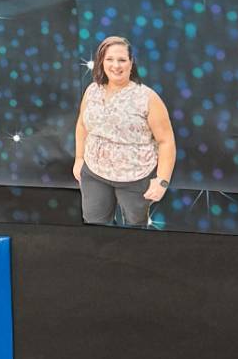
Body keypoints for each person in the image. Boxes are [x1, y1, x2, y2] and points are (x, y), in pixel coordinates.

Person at [72, 33, 176, 227]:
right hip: (95, 173)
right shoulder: (92, 90)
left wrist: (162, 180)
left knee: (135, 231)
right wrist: (79, 159)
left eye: (122, 60)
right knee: (95, 227)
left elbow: (166, 141)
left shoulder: (147, 97)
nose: (116, 65)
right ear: (101, 61)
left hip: (135, 178)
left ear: (131, 62)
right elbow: (81, 125)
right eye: (109, 59)